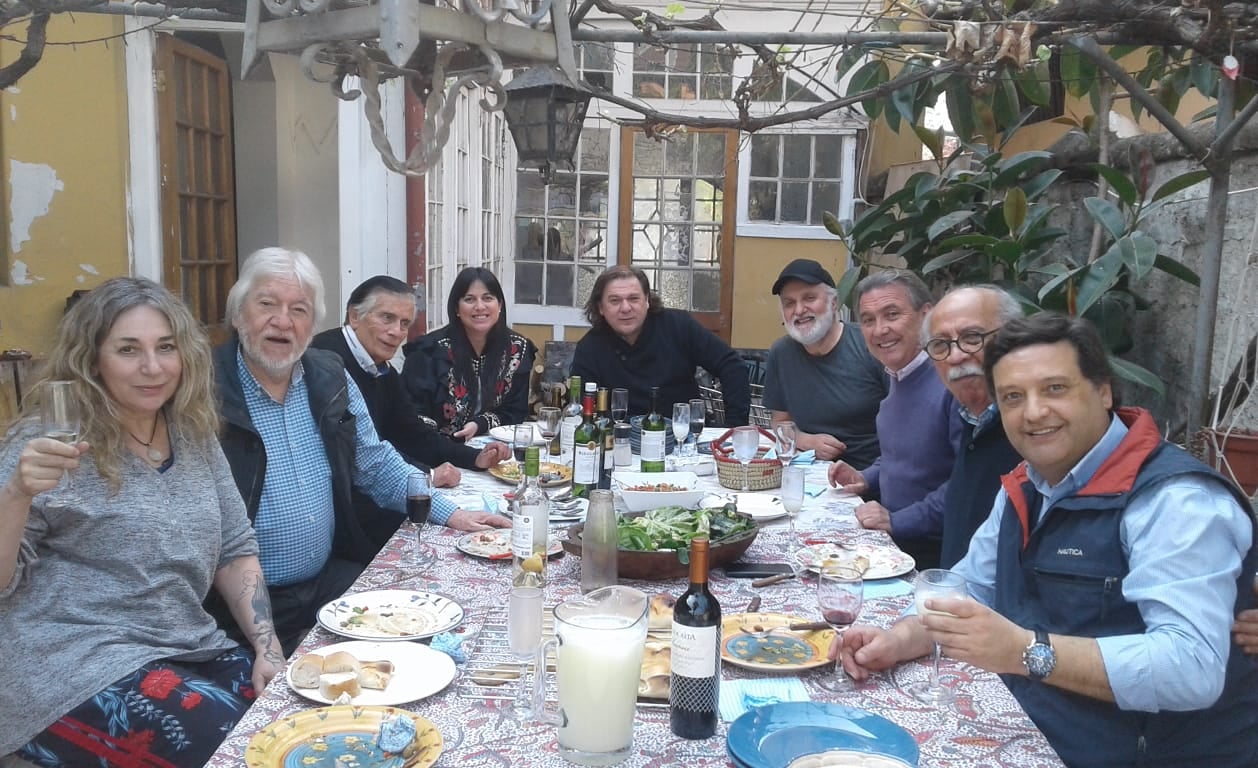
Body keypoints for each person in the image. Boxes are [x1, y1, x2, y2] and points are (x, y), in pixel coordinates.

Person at [836, 312, 1258, 768]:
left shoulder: (1176, 502)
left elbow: (1192, 667)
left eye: (1055, 388)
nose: (1033, 412)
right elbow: (970, 590)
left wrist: (1025, 650)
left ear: (1103, 391)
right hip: (1033, 732)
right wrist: (897, 640)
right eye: (1014, 397)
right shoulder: (1027, 484)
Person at [0, 278, 284, 766]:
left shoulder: (192, 434)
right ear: (92, 360)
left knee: (294, 717)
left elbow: (234, 549)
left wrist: (269, 648)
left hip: (186, 644)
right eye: (129, 350)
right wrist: (16, 494)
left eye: (165, 347)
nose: (152, 368)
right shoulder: (46, 443)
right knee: (241, 750)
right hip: (72, 665)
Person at [212, 248, 509, 654]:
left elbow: (374, 461)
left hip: (326, 579)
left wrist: (452, 514)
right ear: (237, 313)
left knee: (437, 620)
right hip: (238, 609)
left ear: (311, 324)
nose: (283, 321)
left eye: (298, 310)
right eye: (267, 305)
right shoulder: (205, 391)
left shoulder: (327, 374)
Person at [310, 275, 511, 480]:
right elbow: (358, 455)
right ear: (354, 316)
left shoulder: (381, 370)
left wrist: (475, 457)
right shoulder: (323, 362)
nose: (396, 332)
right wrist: (427, 475)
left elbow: (412, 434)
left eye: (404, 323)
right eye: (387, 318)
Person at [827, 270, 963, 569]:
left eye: (891, 314)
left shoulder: (952, 384)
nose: (879, 330)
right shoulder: (898, 379)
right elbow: (905, 457)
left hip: (936, 557)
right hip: (894, 543)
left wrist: (897, 520)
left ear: (927, 315)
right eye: (868, 320)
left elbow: (966, 484)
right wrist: (865, 477)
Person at [570, 265, 750, 424]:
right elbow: (583, 408)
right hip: (619, 441)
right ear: (601, 307)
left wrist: (735, 426)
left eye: (633, 299)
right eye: (615, 301)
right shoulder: (589, 348)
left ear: (647, 300)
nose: (625, 308)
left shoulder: (678, 326)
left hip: (683, 438)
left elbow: (731, 365)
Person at [925, 285, 1025, 568]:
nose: (955, 356)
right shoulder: (971, 420)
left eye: (971, 338)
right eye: (941, 345)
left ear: (1013, 338)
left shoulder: (1033, 431)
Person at [762, 259, 887, 467]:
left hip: (873, 479)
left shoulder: (869, 345)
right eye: (789, 303)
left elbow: (907, 423)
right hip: (809, 475)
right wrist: (805, 441)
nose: (799, 310)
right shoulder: (781, 353)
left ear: (834, 302)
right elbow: (780, 421)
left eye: (809, 298)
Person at [402, 267, 537, 441]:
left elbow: (515, 411)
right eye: (469, 299)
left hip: (497, 448)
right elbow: (411, 413)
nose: (479, 307)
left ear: (500, 305)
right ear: (456, 308)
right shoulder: (428, 352)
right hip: (436, 451)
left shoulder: (517, 349)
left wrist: (479, 424)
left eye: (488, 298)